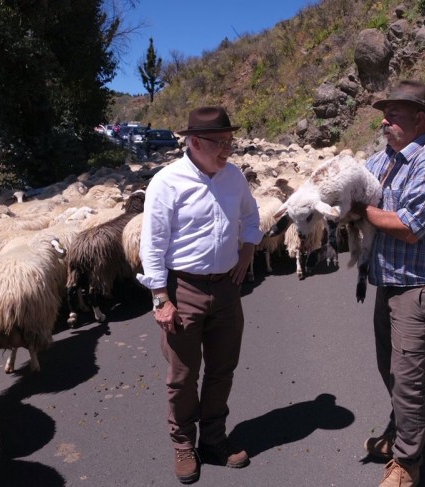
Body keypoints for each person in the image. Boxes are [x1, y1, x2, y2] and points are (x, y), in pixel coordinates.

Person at [137, 106, 262, 484]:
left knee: (223, 368)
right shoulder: (167, 182)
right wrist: (161, 297)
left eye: (229, 141)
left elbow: (252, 217)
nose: (227, 150)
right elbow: (152, 244)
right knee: (183, 374)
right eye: (219, 143)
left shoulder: (234, 177)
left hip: (226, 288)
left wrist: (247, 250)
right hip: (183, 289)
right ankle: (182, 443)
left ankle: (212, 438)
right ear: (194, 143)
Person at [352, 80, 425, 487]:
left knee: (408, 375)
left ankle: (407, 464)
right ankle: (402, 433)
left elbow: (408, 227)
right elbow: (356, 188)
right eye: (384, 114)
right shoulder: (384, 161)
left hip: (421, 286)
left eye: (393, 115)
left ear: (419, 119)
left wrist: (361, 208)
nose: (385, 121)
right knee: (392, 370)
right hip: (389, 283)